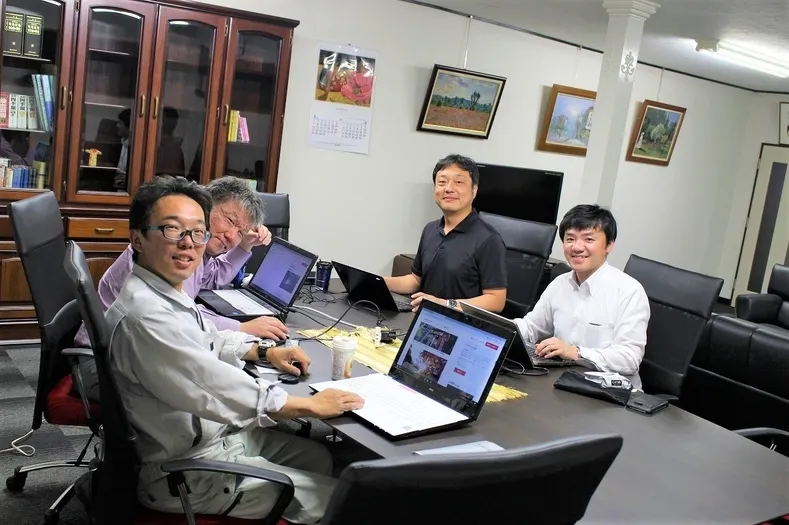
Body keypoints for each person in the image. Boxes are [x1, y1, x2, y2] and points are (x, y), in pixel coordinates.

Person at [104, 175, 363, 523]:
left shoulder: (164, 287)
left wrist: (264, 352)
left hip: (206, 437)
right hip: (186, 472)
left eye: (197, 232)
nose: (188, 243)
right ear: (138, 238)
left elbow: (207, 335)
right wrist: (305, 405)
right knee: (344, 502)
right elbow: (214, 385)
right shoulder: (147, 317)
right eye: (172, 230)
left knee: (318, 458)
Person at [73, 176, 283, 400]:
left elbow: (209, 280)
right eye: (230, 220)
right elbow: (185, 318)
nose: (232, 236)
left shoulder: (196, 248)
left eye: (241, 232)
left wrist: (245, 245)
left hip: (130, 352)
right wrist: (244, 328)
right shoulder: (166, 253)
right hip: (101, 366)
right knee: (212, 392)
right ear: (205, 205)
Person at [514, 204, 650, 389]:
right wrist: (498, 328)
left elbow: (629, 359)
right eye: (570, 239)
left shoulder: (629, 292)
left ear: (609, 245)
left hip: (611, 393)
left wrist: (576, 353)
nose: (577, 247)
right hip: (563, 383)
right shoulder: (560, 284)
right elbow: (532, 327)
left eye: (589, 239)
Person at [384, 154, 507, 312]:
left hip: (459, 323)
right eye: (442, 182)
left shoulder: (488, 239)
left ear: (474, 190)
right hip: (423, 316)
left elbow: (496, 300)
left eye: (458, 182)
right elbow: (415, 280)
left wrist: (444, 304)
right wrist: (378, 281)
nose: (449, 189)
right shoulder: (430, 229)